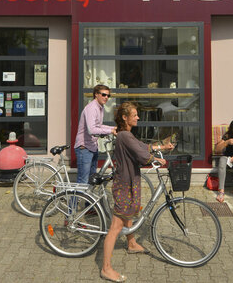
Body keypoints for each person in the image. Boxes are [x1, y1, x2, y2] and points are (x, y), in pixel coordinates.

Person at [101, 101, 173, 283]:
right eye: (134, 115)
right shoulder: (124, 136)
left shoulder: (127, 135)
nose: (138, 117)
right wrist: (155, 159)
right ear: (125, 118)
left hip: (128, 181)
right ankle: (106, 268)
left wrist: (162, 147)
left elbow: (142, 146)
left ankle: (131, 243)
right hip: (124, 184)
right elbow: (142, 155)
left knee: (130, 212)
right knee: (116, 227)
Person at [74, 85, 117, 186]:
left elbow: (99, 125)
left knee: (91, 180)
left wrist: (113, 128)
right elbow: (92, 129)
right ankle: (75, 197)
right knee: (83, 181)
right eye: (103, 95)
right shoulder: (92, 108)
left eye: (108, 96)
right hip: (84, 147)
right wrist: (110, 131)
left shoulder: (100, 107)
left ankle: (88, 197)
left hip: (92, 147)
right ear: (96, 94)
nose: (106, 97)